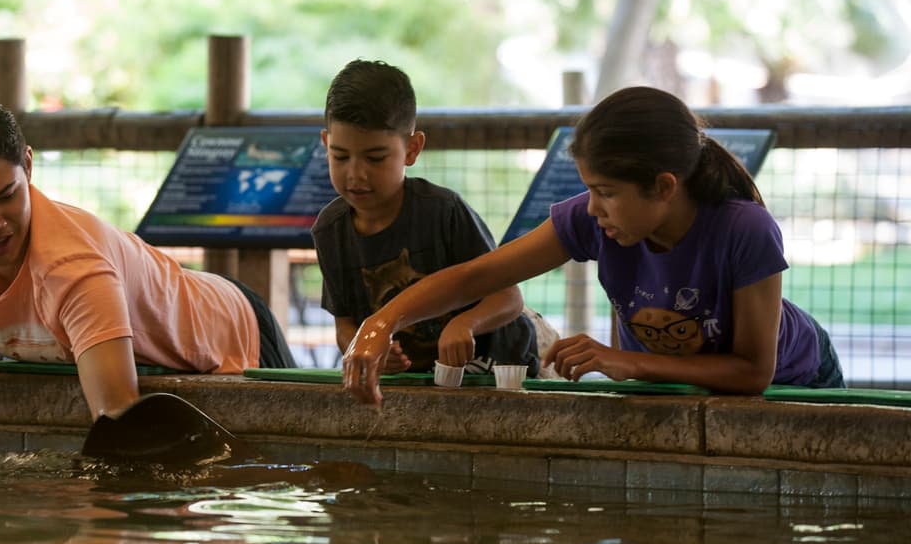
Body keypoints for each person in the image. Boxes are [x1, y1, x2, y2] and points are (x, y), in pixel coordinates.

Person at [342, 85, 844, 405]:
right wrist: (381, 323)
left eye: (606, 192)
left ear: (664, 187)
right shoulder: (597, 220)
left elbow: (754, 372)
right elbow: (479, 275)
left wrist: (624, 361)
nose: (594, 208)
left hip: (798, 377)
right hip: (672, 380)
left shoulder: (744, 230)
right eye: (590, 190)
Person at [0, 95, 295, 420]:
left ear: (28, 167)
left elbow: (117, 421)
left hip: (235, 334)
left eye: (7, 196)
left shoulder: (73, 272)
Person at [313, 59, 547, 377]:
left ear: (412, 149)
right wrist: (363, 347)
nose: (355, 174)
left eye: (375, 157)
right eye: (340, 156)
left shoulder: (443, 211)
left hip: (496, 364)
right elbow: (344, 325)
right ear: (326, 144)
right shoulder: (330, 230)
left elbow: (508, 297)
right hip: (418, 377)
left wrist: (466, 323)